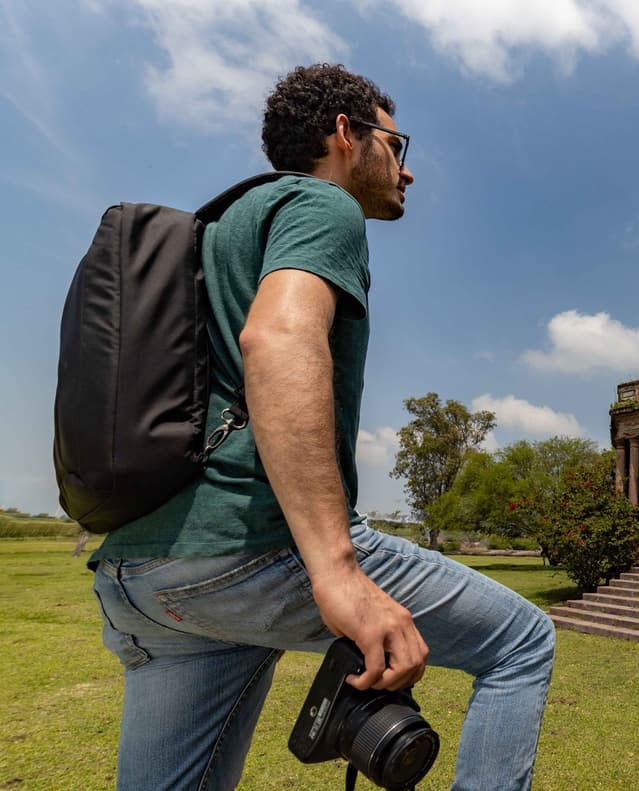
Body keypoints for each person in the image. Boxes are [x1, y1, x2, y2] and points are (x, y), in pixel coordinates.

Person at [89, 63, 555, 791]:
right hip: (251, 550)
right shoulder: (318, 203)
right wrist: (337, 569)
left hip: (144, 571)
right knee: (522, 641)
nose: (407, 170)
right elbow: (276, 340)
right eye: (398, 147)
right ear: (346, 134)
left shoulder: (219, 229)